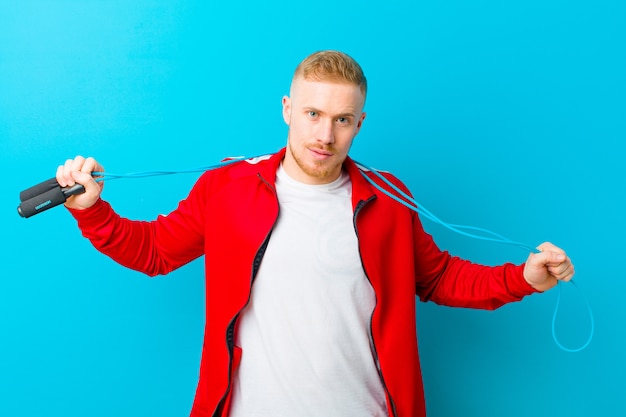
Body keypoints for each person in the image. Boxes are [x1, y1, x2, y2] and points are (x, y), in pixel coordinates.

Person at [56, 50, 574, 417]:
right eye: (313, 114)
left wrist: (522, 278)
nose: (325, 135)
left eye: (342, 119)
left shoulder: (389, 199)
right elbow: (154, 251)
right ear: (287, 110)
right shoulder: (227, 188)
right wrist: (92, 210)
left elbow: (437, 278)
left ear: (360, 123)